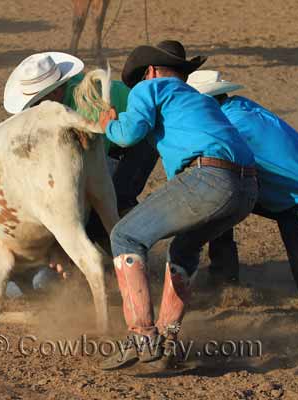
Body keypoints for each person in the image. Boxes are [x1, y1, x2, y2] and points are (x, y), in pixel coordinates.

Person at [95, 40, 258, 371]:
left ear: (151, 71)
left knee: (125, 236)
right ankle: (168, 343)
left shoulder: (151, 88)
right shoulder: (199, 100)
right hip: (247, 188)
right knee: (184, 250)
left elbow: (127, 135)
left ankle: (141, 337)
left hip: (207, 178)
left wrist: (108, 124)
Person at [3, 52, 159, 287]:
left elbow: (96, 164)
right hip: (115, 142)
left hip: (139, 140)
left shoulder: (86, 102)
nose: (34, 108)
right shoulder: (64, 104)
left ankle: (138, 272)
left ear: (55, 92)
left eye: (36, 102)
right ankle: (122, 267)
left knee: (109, 202)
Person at [187, 70, 298, 311]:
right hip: (297, 188)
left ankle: (224, 276)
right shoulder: (240, 107)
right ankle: (223, 278)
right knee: (219, 202)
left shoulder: (230, 125)